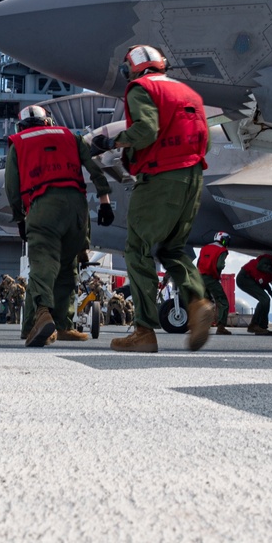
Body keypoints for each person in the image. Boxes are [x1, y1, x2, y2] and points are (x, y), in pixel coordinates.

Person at [92, 46, 214, 354]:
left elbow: (145, 131)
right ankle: (197, 301)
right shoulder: (188, 93)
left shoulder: (141, 88)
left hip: (160, 177)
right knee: (173, 248)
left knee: (137, 249)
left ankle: (144, 331)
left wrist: (113, 142)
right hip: (193, 178)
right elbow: (206, 140)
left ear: (131, 69)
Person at [6, 103, 114, 347]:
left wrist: (20, 217)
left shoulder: (19, 142)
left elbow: (12, 187)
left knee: (43, 265)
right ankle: (62, 325)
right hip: (77, 209)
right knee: (67, 267)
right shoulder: (70, 136)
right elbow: (95, 169)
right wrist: (105, 201)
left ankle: (42, 315)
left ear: (21, 125)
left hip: (44, 207)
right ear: (48, 121)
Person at [237, 252, 272, 335]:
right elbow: (260, 266)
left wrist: (269, 290)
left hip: (248, 279)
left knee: (265, 300)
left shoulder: (270, 267)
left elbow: (263, 279)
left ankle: (262, 327)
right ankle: (255, 325)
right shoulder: (268, 260)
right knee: (265, 299)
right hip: (245, 278)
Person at [198, 231, 232, 334]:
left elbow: (199, 263)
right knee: (222, 301)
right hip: (211, 278)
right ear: (223, 240)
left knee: (206, 301)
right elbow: (219, 266)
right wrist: (217, 275)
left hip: (199, 277)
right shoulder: (222, 250)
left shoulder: (205, 247)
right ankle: (221, 327)